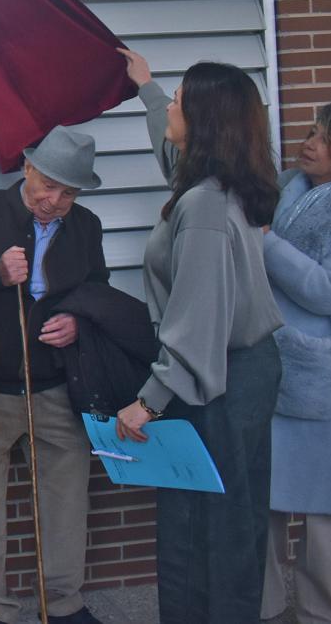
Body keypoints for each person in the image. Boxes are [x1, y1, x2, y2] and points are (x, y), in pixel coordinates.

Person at [115, 51, 282, 623]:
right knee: (224, 520)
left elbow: (197, 323)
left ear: (204, 121)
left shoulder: (205, 205)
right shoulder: (213, 185)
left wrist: (147, 403)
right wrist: (146, 88)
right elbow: (172, 155)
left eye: (180, 100)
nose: (172, 107)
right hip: (237, 371)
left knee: (211, 529)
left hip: (220, 378)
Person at [0, 126, 108, 624]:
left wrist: (79, 322)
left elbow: (98, 290)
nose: (54, 201)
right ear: (27, 168)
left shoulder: (85, 226)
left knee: (67, 501)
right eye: (48, 185)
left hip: (57, 386)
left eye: (68, 194)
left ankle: (63, 604)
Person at [259, 102, 331, 623]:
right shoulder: (283, 187)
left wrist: (268, 243)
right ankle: (266, 610)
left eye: (324, 136)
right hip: (272, 365)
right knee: (263, 503)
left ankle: (329, 615)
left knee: (329, 513)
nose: (309, 142)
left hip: (327, 375)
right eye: (312, 131)